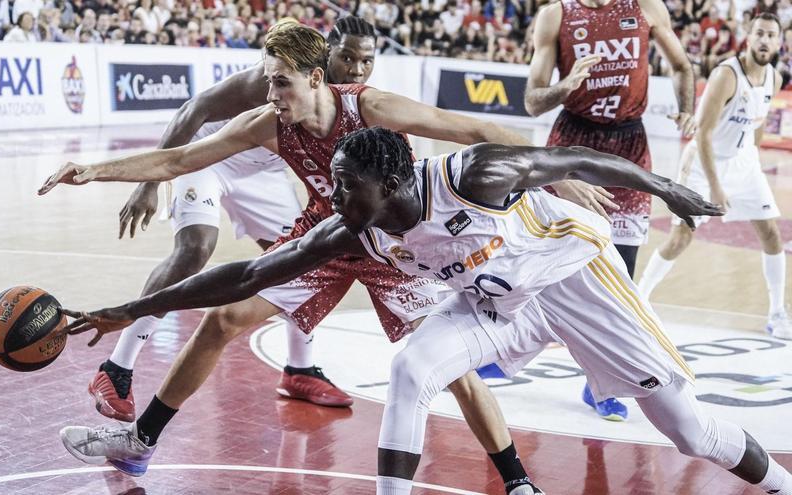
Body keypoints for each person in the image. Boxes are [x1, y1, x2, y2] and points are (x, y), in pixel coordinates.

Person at [42, 21, 624, 495]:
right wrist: (93, 170)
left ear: (317, 78)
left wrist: (560, 175)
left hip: (401, 242)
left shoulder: (370, 107)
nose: (272, 96)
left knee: (453, 370)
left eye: (282, 84)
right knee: (223, 319)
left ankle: (518, 481)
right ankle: (139, 444)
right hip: (328, 235)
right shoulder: (268, 123)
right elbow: (179, 162)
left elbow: (476, 127)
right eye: (268, 84)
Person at [52, 127, 791, 495]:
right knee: (410, 367)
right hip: (501, 303)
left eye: (347, 187)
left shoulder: (476, 173)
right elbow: (248, 270)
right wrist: (129, 307)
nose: (335, 200)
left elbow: (575, 164)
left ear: (394, 180)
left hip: (574, 277)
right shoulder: (355, 225)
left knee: (690, 431)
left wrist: (666, 189)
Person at [89, 17, 382, 424]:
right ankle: (116, 368)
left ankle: (299, 369)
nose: (355, 69)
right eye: (347, 58)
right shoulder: (268, 82)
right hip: (210, 158)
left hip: (262, 172)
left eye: (365, 61)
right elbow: (195, 109)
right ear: (325, 54)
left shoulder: (349, 99)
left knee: (305, 257)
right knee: (195, 250)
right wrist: (148, 185)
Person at [524, 0, 697, 421]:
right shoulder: (555, 15)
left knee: (621, 271)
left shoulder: (646, 7)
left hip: (628, 145)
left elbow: (682, 66)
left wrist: (687, 108)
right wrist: (566, 87)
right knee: (543, 264)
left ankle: (599, 383)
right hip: (571, 144)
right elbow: (533, 101)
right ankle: (509, 347)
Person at [638, 13, 792, 340]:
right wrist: (717, 187)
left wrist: (753, 161)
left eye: (771, 35)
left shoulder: (774, 79)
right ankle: (638, 301)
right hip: (703, 165)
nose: (765, 40)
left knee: (771, 234)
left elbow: (759, 124)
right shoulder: (726, 75)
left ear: (779, 42)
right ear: (748, 38)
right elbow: (704, 135)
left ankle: (777, 313)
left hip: (744, 162)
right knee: (681, 237)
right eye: (760, 34)